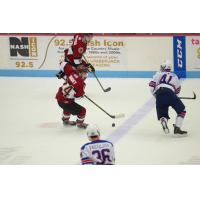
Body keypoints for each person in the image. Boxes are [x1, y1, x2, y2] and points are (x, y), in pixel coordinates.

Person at [149, 60, 187, 135]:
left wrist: (156, 95)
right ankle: (177, 128)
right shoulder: (175, 76)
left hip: (159, 93)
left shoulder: (158, 74)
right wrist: (175, 97)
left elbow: (151, 86)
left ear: (164, 67)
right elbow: (178, 89)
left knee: (163, 114)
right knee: (182, 110)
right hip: (170, 93)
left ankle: (163, 120)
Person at [55, 64, 89, 129]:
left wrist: (62, 74)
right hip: (66, 102)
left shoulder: (72, 72)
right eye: (84, 73)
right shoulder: (81, 84)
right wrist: (82, 94)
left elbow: (62, 64)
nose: (85, 76)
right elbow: (78, 97)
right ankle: (80, 123)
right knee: (82, 111)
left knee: (67, 107)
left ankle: (65, 120)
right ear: (80, 73)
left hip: (59, 98)